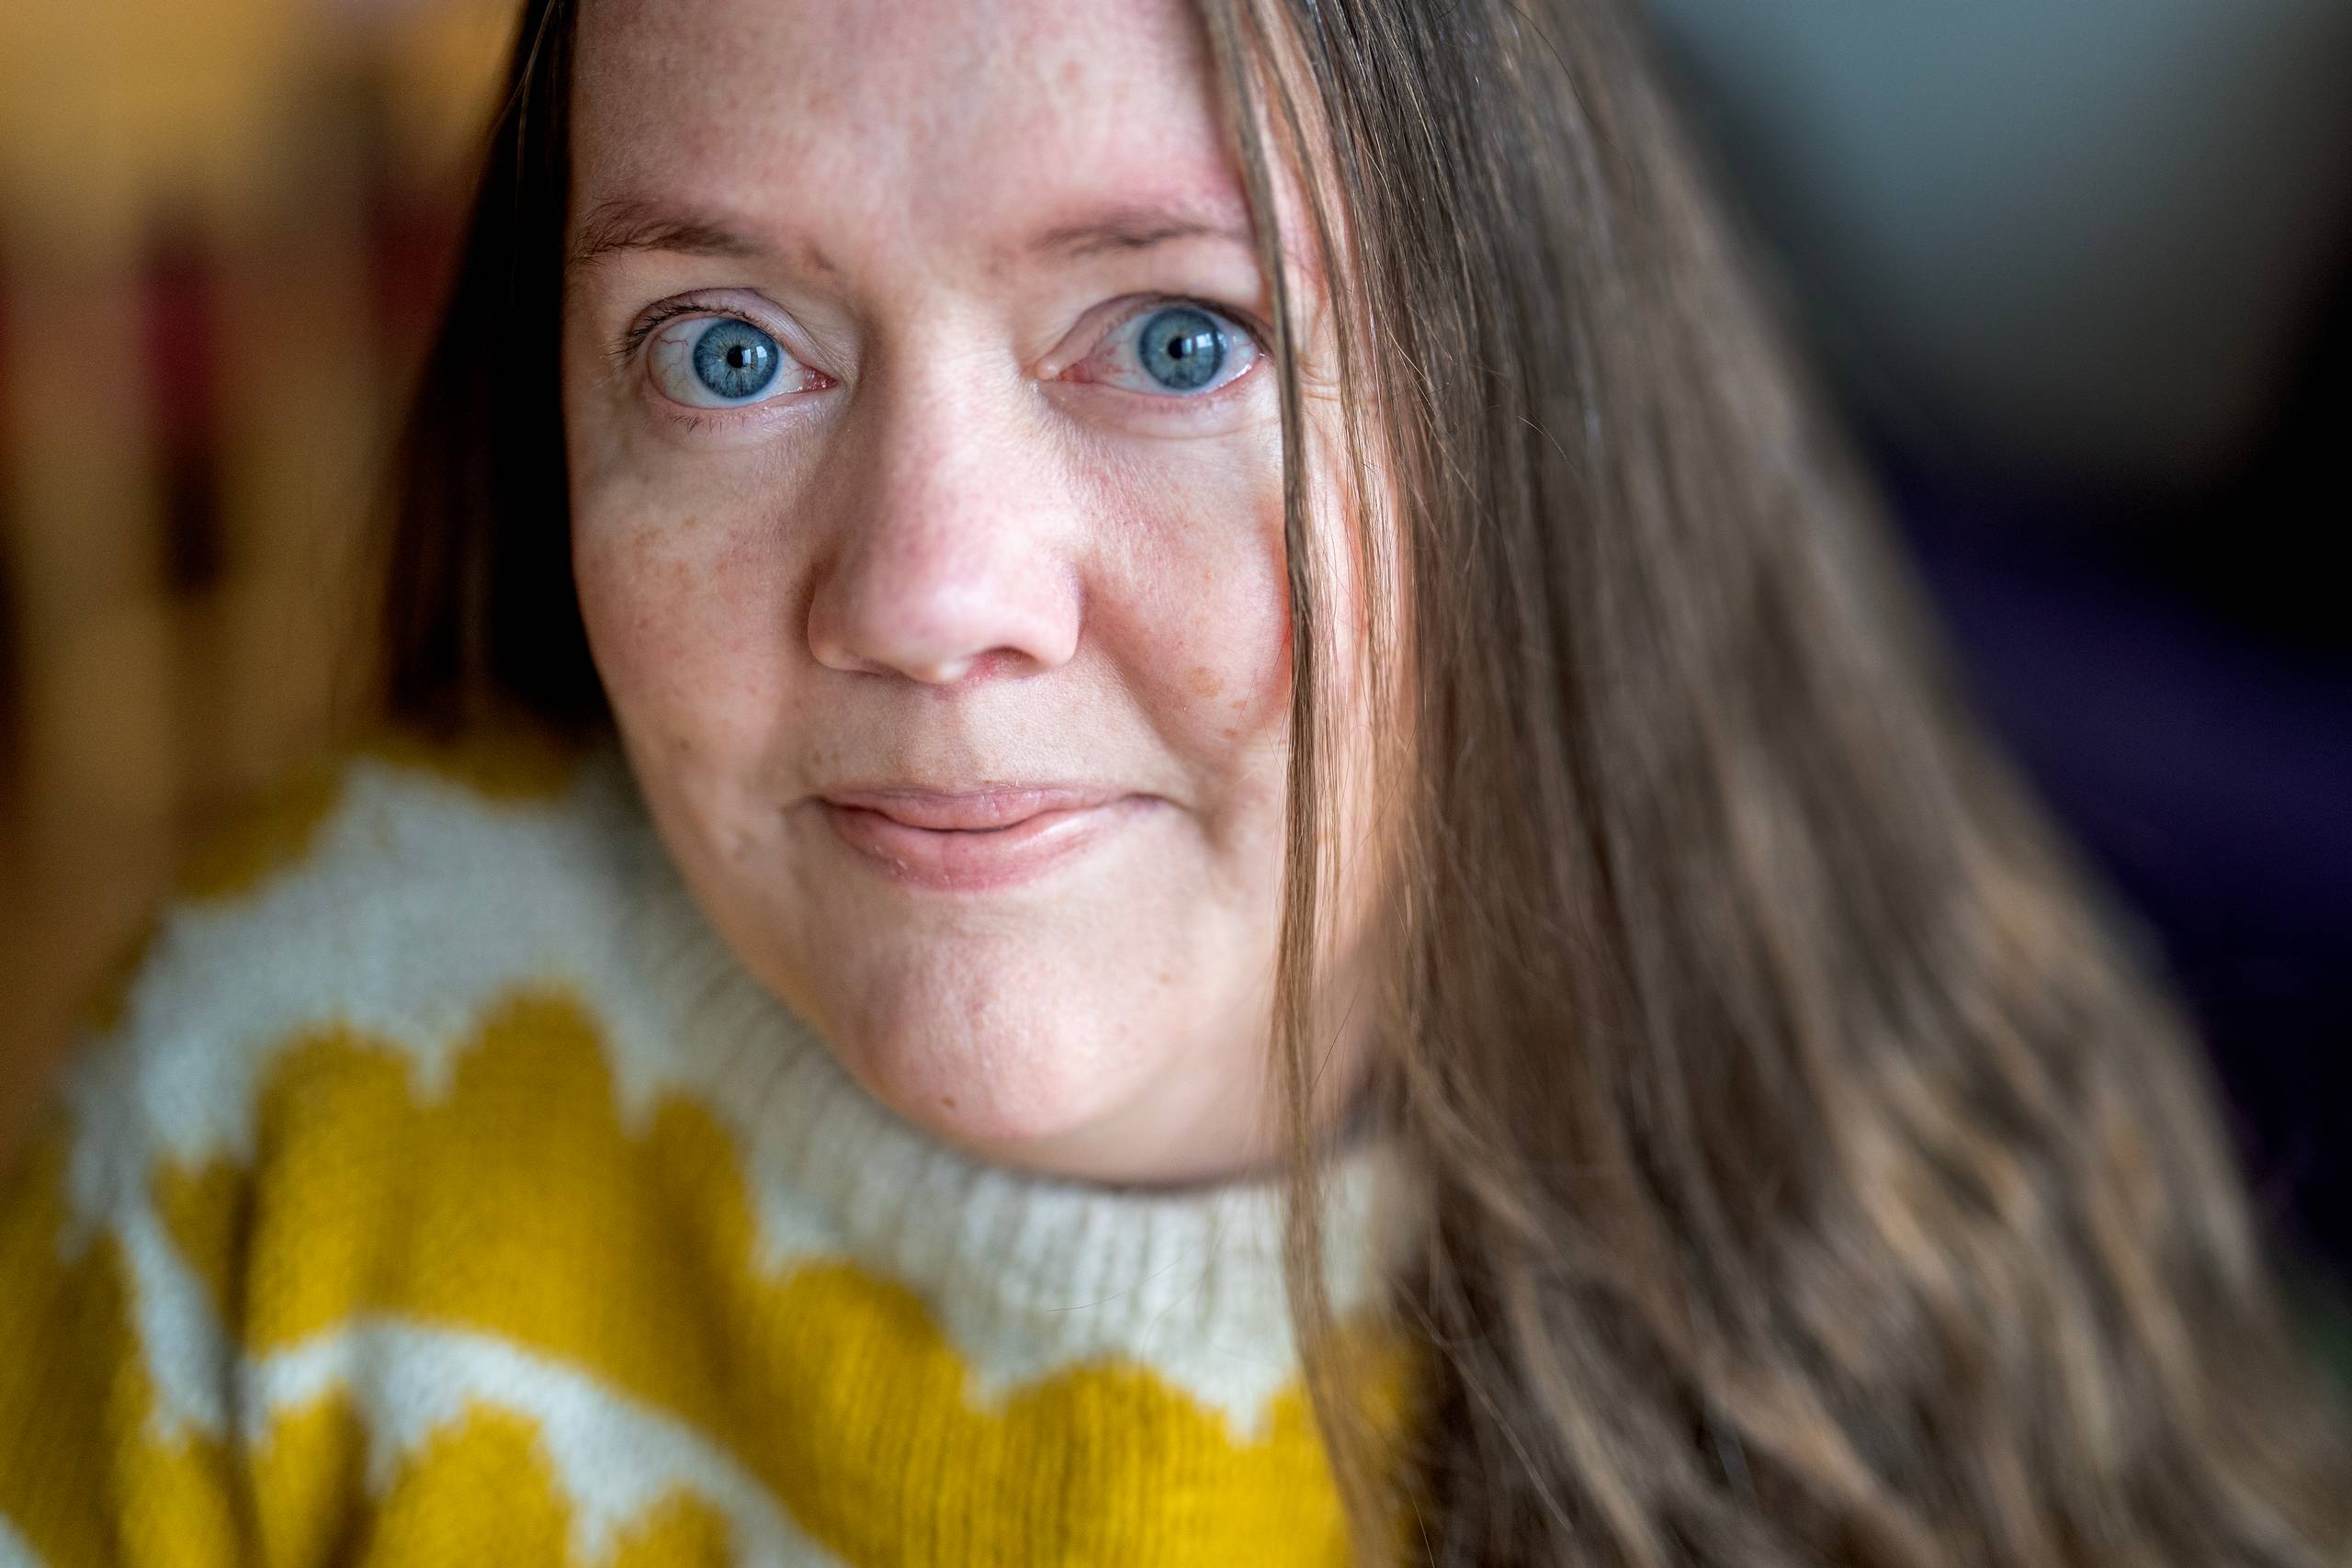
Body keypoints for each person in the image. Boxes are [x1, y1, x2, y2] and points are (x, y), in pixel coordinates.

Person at [2, 0, 2346, 1561]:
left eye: (1172, 334)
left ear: (1512, 420)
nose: (926, 595)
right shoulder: (285, 1110)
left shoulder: (1914, 1271)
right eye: (724, 351)